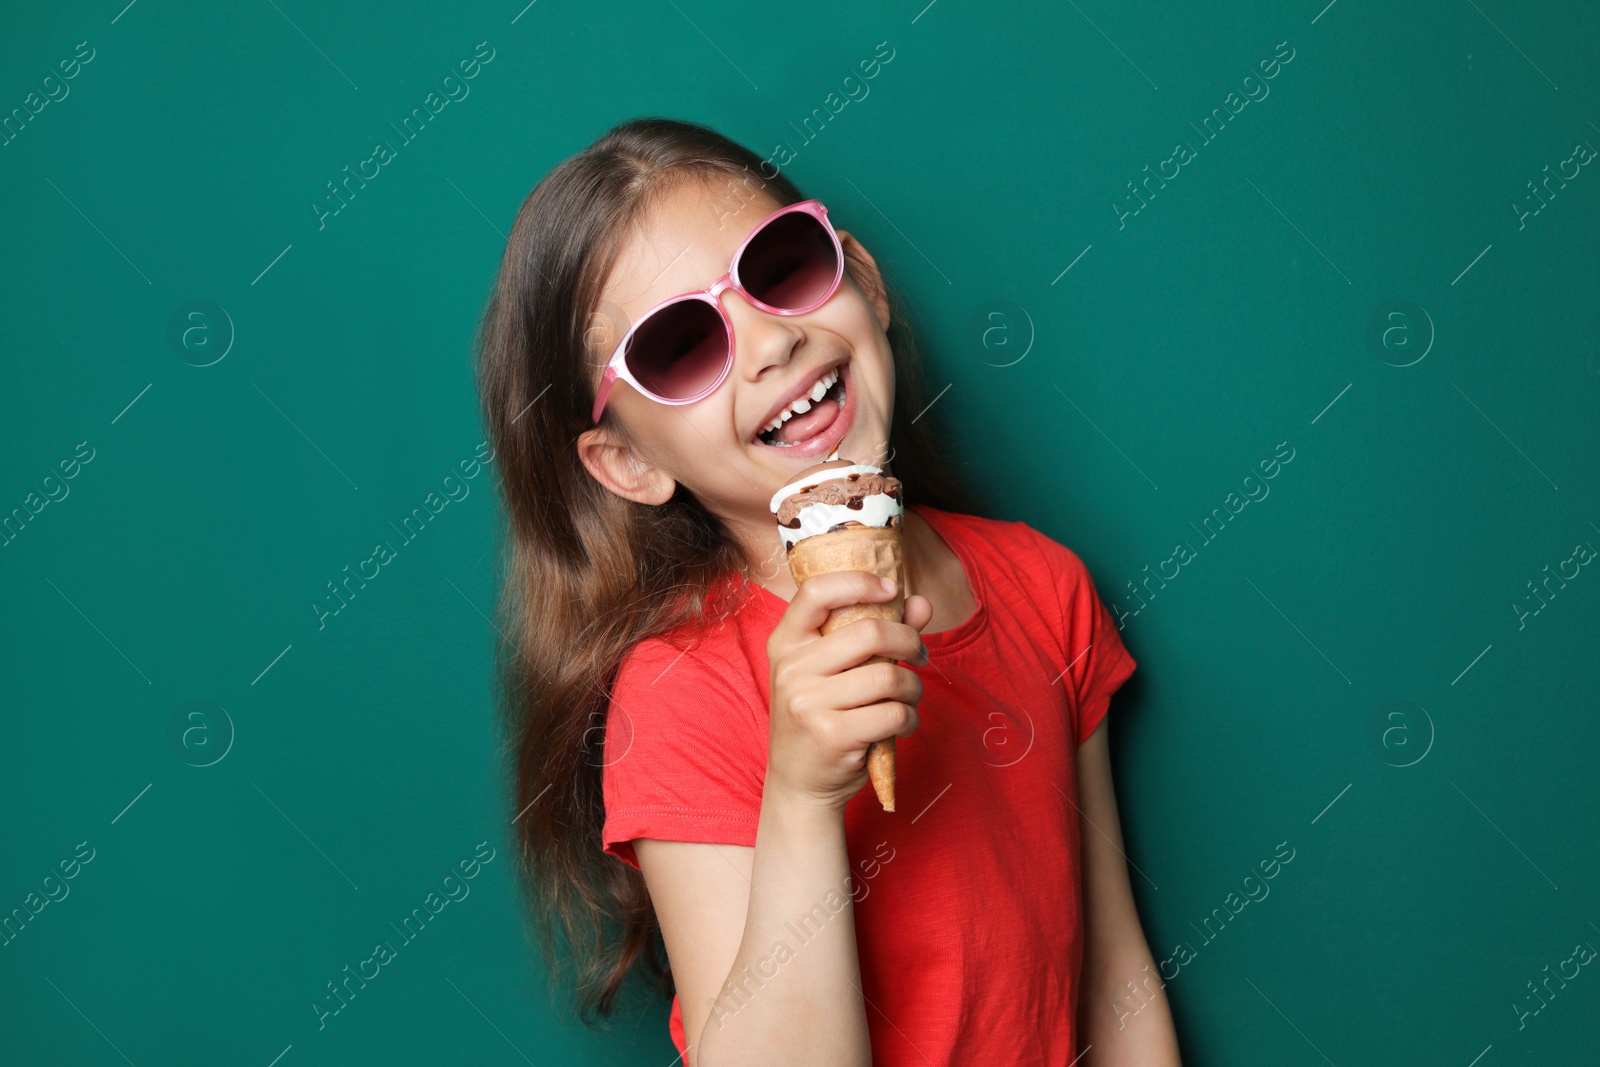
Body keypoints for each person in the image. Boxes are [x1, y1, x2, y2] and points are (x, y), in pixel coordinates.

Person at [474, 115, 1180, 1066]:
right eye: (682, 344)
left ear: (866, 282)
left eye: (782, 266)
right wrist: (801, 798)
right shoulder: (682, 695)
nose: (769, 343)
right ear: (629, 462)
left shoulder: (1045, 586)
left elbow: (1112, 976)